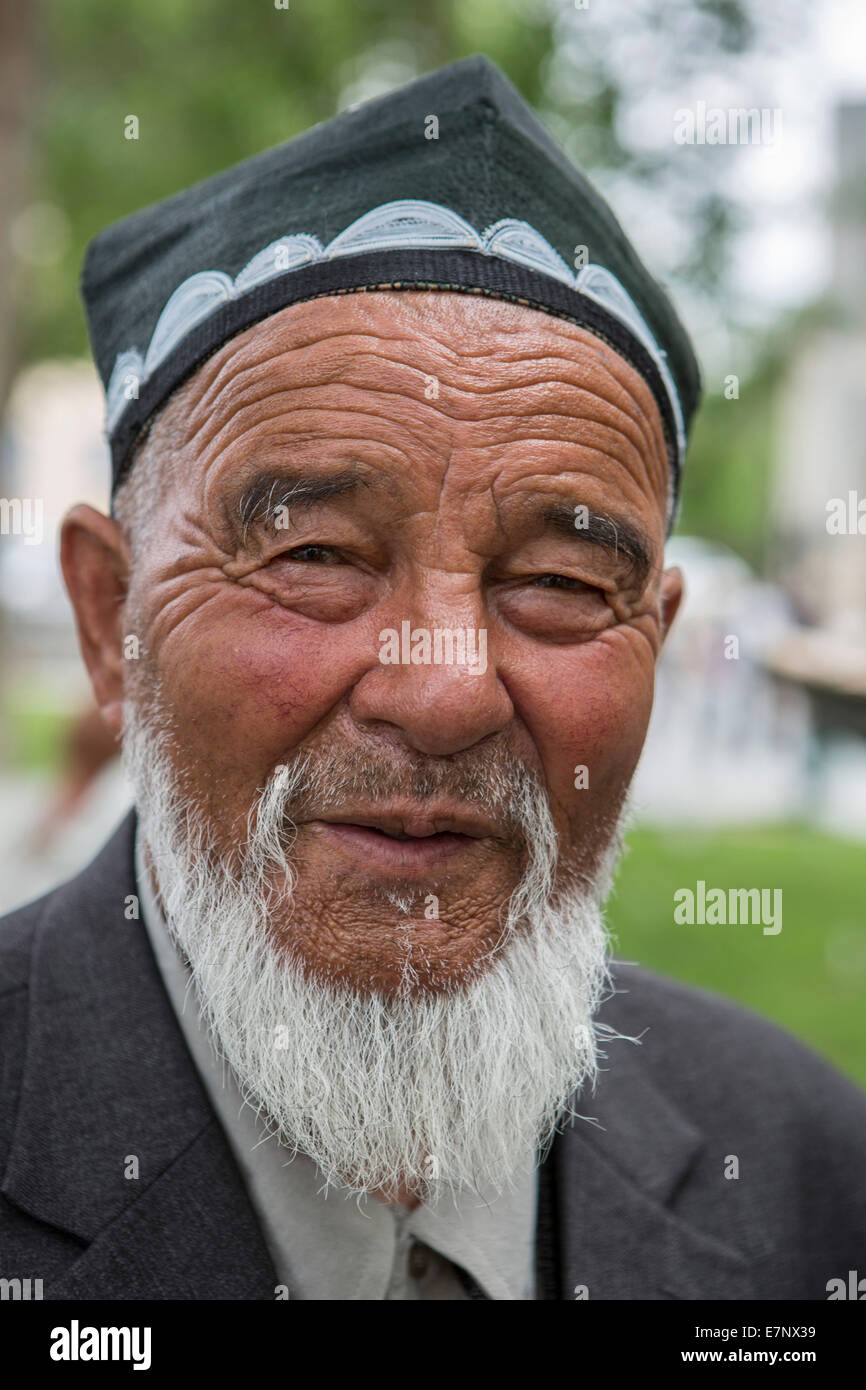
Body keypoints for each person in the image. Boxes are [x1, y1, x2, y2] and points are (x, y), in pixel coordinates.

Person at [1, 55, 864, 1301]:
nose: (445, 689)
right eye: (313, 556)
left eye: (562, 584)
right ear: (108, 619)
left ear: (656, 643)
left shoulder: (804, 1173)